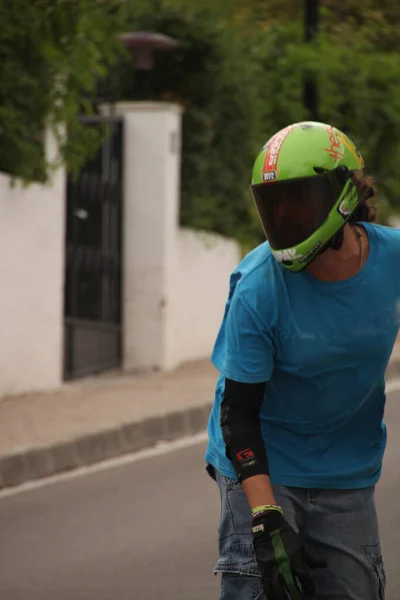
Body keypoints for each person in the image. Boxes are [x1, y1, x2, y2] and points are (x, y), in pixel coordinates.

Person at [204, 121, 400, 600]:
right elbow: (239, 414)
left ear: (344, 196)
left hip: (345, 470)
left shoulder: (393, 261)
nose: (286, 218)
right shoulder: (258, 288)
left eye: (299, 201)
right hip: (262, 462)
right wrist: (265, 517)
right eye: (274, 206)